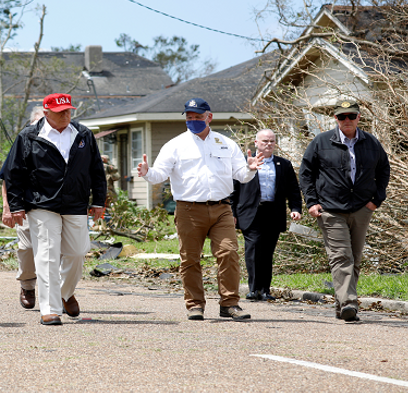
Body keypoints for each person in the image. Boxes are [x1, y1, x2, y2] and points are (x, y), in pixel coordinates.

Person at [136, 98, 264, 321]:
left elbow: (241, 175)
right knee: (190, 259)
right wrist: (147, 172)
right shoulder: (175, 145)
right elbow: (159, 174)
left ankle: (230, 304)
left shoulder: (226, 143)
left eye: (197, 116)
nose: (193, 120)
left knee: (229, 253)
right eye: (189, 117)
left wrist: (250, 169)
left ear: (209, 117)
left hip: (222, 208)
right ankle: (195, 305)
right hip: (189, 210)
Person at [4, 93, 106, 326]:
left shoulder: (83, 134)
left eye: (69, 111)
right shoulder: (28, 136)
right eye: (60, 112)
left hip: (75, 203)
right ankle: (50, 310)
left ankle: (63, 293)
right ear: (47, 113)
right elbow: (14, 173)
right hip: (42, 204)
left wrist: (99, 201)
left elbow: (96, 170)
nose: (66, 115)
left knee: (78, 252)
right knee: (47, 254)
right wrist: (16, 205)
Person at [298, 99, 389, 322]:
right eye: (341, 116)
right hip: (331, 209)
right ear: (335, 118)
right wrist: (311, 202)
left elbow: (383, 171)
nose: (346, 120)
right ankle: (349, 303)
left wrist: (376, 201)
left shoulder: (371, 142)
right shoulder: (320, 142)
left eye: (351, 116)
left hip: (361, 208)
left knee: (354, 258)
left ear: (358, 117)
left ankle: (342, 305)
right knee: (341, 257)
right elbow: (306, 173)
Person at [230, 129, 302, 301]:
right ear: (256, 143)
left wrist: (295, 208)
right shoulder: (243, 163)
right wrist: (231, 212)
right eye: (265, 141)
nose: (269, 144)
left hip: (273, 212)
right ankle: (254, 289)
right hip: (250, 212)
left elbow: (293, 189)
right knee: (254, 248)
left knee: (267, 251)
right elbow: (233, 189)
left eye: (271, 141)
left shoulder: (283, 164)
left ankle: (265, 290)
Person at [0, 106, 44, 310]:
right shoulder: (23, 142)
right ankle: (27, 286)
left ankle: (60, 292)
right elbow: (7, 178)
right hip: (25, 206)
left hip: (55, 206)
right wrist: (7, 207)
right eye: (37, 123)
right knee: (27, 248)